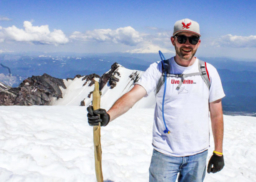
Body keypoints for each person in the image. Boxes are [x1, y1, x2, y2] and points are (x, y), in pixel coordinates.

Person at [87, 18, 225, 182]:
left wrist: (218, 152)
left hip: (198, 154)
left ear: (198, 43)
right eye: (182, 39)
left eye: (192, 39)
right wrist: (108, 116)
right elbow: (133, 96)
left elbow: (216, 114)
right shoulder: (158, 69)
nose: (187, 44)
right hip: (165, 153)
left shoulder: (208, 72)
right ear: (173, 40)